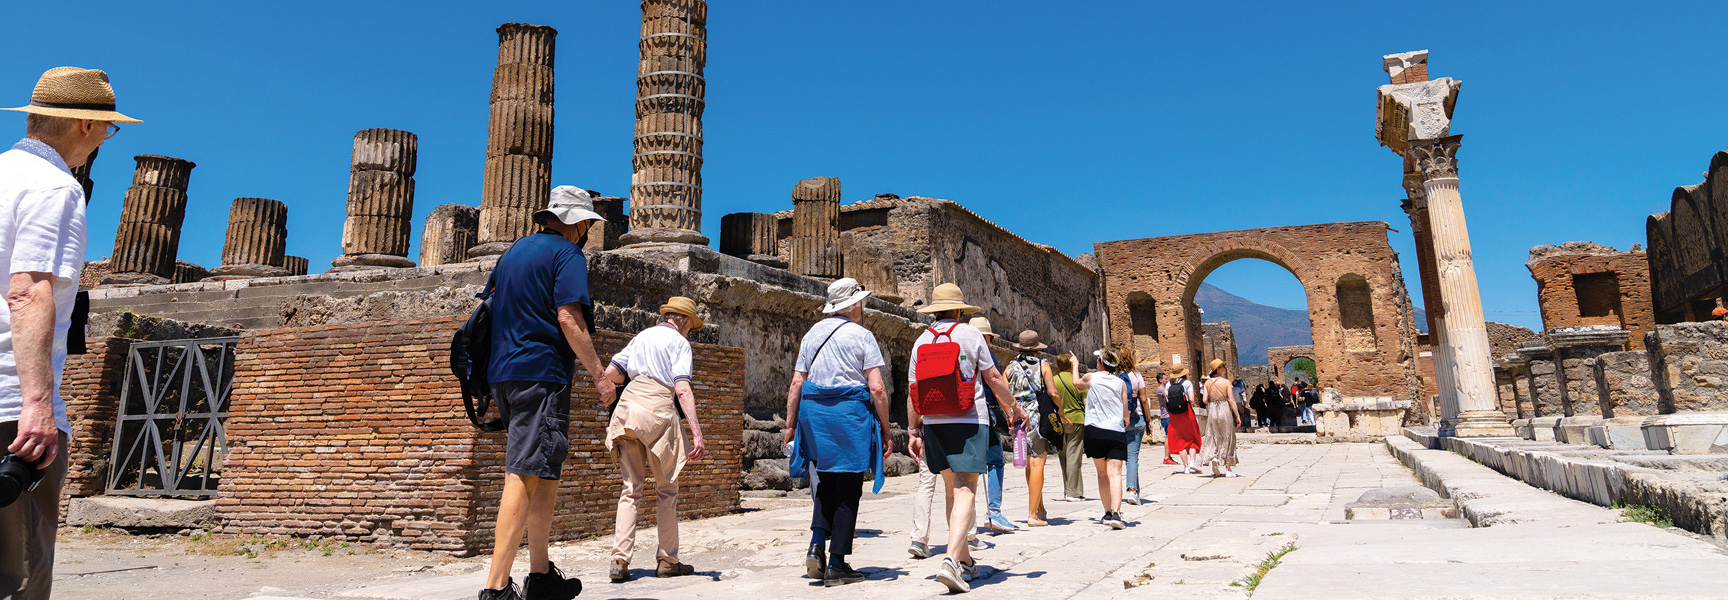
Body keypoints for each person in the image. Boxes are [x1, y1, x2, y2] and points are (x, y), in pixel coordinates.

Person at [0, 67, 139, 600]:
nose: (106, 139)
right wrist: (36, 404)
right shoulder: (55, 187)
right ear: (86, 124)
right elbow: (29, 291)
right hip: (11, 410)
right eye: (108, 128)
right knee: (18, 577)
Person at [478, 186, 611, 600]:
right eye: (588, 223)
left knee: (544, 469)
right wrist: (599, 373)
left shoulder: (512, 253)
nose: (588, 230)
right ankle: (496, 587)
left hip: (502, 373)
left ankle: (540, 576)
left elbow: (487, 307)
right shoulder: (567, 255)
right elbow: (569, 318)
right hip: (541, 373)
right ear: (577, 222)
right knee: (523, 471)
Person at [906, 283, 1022, 594]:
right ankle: (950, 562)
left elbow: (912, 392)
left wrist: (913, 430)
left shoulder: (921, 340)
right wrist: (1014, 407)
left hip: (933, 423)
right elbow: (993, 378)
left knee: (950, 491)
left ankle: (967, 562)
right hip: (968, 420)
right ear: (959, 310)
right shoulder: (970, 334)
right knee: (967, 487)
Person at [784, 278, 890, 586]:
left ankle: (817, 546)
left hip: (814, 416)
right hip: (849, 416)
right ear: (854, 305)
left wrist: (790, 425)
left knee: (825, 481)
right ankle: (838, 563)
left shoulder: (811, 335)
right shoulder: (862, 336)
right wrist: (886, 429)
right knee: (848, 486)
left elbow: (796, 384)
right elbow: (877, 387)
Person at [601, 297, 708, 583]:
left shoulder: (642, 336)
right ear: (684, 320)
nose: (689, 331)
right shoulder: (680, 343)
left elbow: (612, 372)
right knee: (666, 490)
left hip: (628, 409)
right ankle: (668, 561)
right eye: (691, 326)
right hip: (658, 410)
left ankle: (619, 561)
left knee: (630, 489)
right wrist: (696, 432)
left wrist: (615, 389)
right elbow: (682, 388)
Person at [1069, 349, 1131, 529]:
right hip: (1114, 430)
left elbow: (1076, 384)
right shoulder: (1121, 384)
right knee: (1116, 473)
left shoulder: (1091, 378)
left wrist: (1074, 365)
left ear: (1101, 363)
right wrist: (1123, 421)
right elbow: (1125, 412)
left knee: (1102, 473)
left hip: (1094, 430)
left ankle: (1107, 512)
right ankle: (1118, 514)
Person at [969, 317, 1019, 534]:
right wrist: (1011, 409)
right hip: (984, 415)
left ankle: (968, 520)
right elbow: (995, 383)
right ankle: (994, 512)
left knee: (967, 470)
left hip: (960, 415)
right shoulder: (986, 353)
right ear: (987, 337)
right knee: (996, 462)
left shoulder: (961, 351)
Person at [1004, 330, 1057, 526]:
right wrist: (1059, 409)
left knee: (1028, 464)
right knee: (1037, 464)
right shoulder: (1043, 365)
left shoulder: (1010, 368)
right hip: (1036, 418)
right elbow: (1051, 391)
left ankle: (1039, 507)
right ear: (1036, 348)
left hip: (1018, 419)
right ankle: (1032, 514)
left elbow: (1002, 392)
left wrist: (1010, 413)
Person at [1050, 351, 1087, 501]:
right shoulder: (1077, 381)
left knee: (1063, 456)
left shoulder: (1053, 381)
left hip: (1059, 422)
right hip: (1077, 420)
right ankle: (1073, 492)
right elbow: (1086, 402)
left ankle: (1067, 488)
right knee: (1074, 456)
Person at [1115, 346, 1150, 506]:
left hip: (1119, 421)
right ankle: (1132, 491)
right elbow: (1143, 399)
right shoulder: (1136, 375)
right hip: (1136, 419)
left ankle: (1133, 489)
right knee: (1133, 457)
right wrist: (1149, 420)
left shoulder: (1114, 376)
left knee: (1121, 458)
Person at [1198, 359, 1242, 477]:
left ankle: (1214, 458)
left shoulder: (1207, 383)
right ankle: (1228, 469)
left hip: (1212, 410)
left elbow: (1204, 400)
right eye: (1222, 366)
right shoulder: (1226, 382)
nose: (1224, 368)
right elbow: (1232, 400)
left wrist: (1213, 400)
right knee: (1227, 437)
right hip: (1224, 409)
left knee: (1213, 436)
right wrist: (1237, 415)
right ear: (1217, 369)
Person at [1164, 367, 1203, 473]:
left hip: (1174, 414)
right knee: (1192, 438)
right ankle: (1192, 461)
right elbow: (1191, 399)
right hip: (1186, 412)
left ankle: (1186, 467)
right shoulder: (1187, 383)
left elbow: (1166, 399)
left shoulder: (1168, 385)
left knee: (1180, 440)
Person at [1156, 373, 1177, 466]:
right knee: (1168, 436)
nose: (1167, 380)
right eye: (1165, 378)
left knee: (1170, 435)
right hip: (1165, 416)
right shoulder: (1160, 389)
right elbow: (1169, 396)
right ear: (1160, 380)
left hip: (1168, 415)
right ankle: (1166, 457)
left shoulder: (1163, 388)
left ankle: (1169, 455)